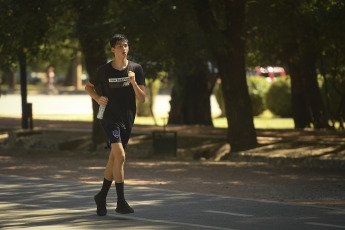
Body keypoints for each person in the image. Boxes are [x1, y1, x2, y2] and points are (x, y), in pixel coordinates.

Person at [85, 34, 146, 216]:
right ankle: (120, 201)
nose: (123, 48)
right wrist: (98, 98)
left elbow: (142, 98)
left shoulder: (136, 68)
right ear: (113, 49)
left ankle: (102, 196)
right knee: (120, 155)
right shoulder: (104, 70)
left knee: (114, 159)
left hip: (127, 119)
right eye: (119, 46)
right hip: (109, 118)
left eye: (125, 45)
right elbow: (88, 87)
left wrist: (133, 81)